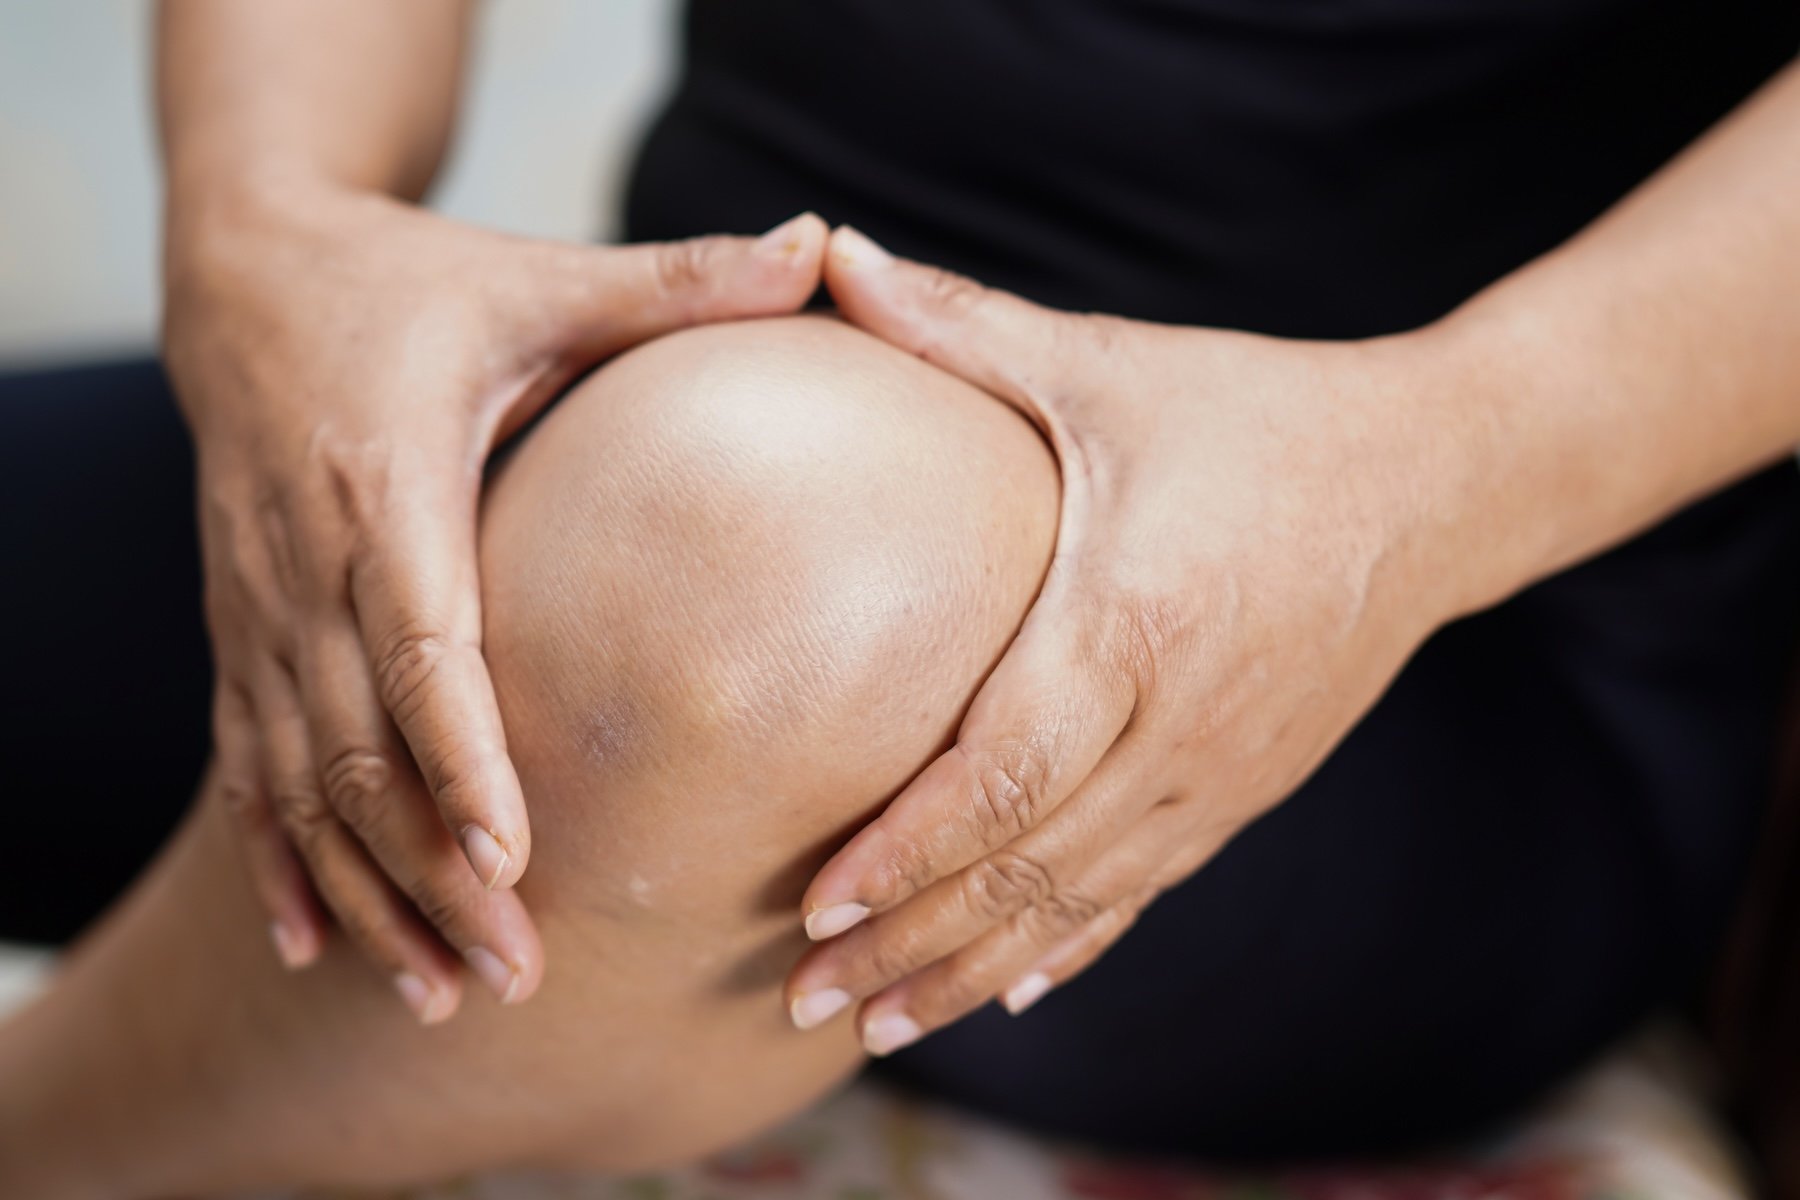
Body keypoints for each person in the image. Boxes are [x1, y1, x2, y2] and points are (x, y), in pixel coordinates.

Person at [3, 0, 1800, 1187]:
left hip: (1446, 632)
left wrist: (1430, 479)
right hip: (621, 425)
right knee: (696, 529)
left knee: (764, 582)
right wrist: (271, 238)